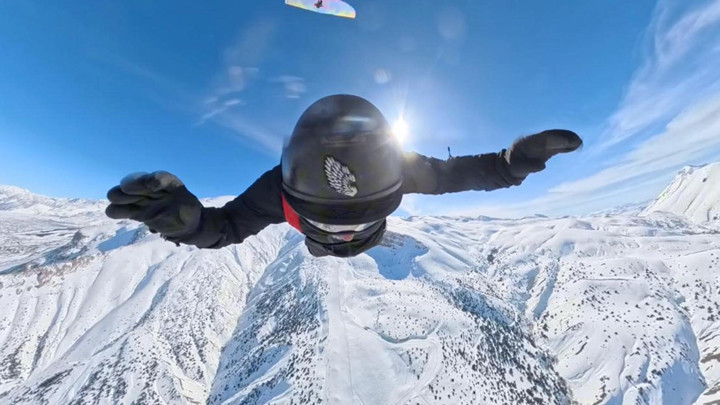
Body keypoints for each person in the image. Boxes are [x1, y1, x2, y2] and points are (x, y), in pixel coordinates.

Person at [106, 94, 582, 257]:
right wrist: (508, 166)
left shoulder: (276, 190)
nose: (346, 232)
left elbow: (226, 227)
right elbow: (459, 175)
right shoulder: (401, 169)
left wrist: (191, 226)